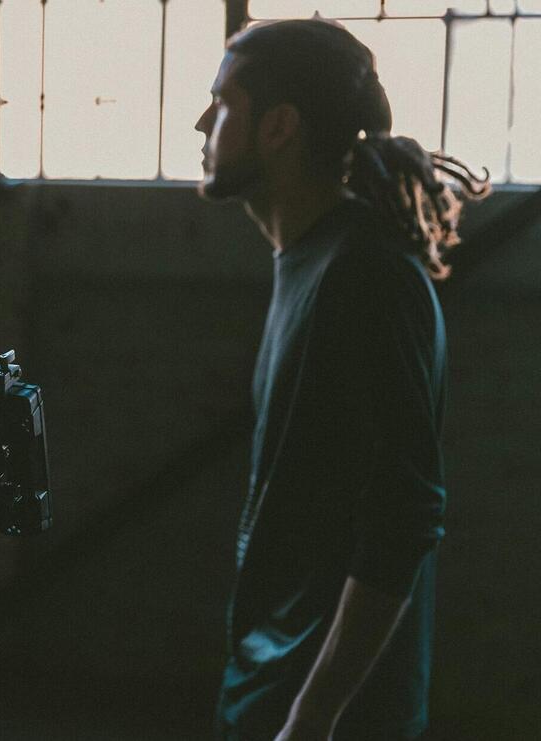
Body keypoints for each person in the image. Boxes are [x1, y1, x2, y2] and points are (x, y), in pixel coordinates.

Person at [194, 19, 487, 741]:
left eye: (223, 102)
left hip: (330, 711)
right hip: (270, 679)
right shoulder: (311, 260)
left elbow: (406, 514)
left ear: (279, 127)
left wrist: (315, 711)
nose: (202, 121)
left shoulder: (368, 276)